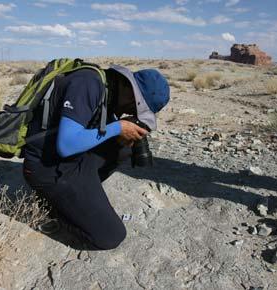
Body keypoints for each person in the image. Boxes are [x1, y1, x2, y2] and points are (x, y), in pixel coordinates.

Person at [22, 63, 170, 250]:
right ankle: (56, 211)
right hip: (47, 167)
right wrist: (118, 127)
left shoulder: (108, 90)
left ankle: (81, 195)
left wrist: (122, 135)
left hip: (71, 162)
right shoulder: (88, 84)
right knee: (111, 236)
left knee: (123, 147)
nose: (132, 113)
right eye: (136, 108)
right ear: (131, 91)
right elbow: (66, 145)